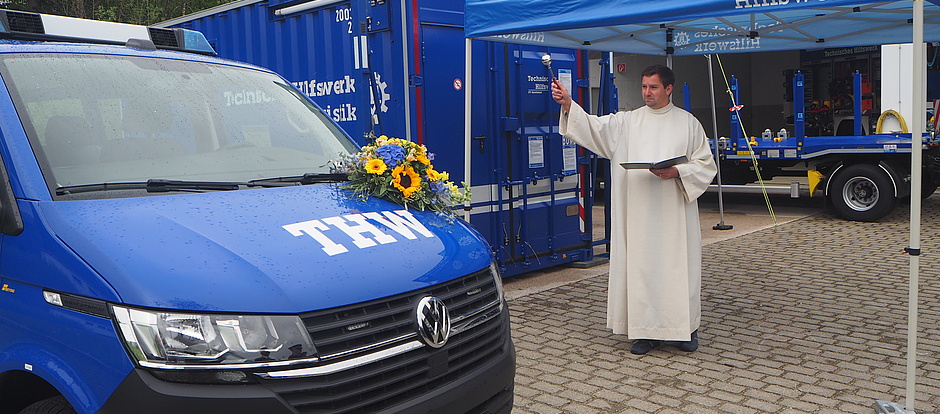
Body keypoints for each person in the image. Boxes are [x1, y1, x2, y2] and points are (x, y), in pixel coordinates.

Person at [551, 64, 717, 355]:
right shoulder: (628, 122)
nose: (647, 93)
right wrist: (569, 105)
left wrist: (677, 171)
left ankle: (683, 330)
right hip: (638, 212)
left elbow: (705, 165)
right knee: (642, 268)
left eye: (653, 87)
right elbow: (594, 128)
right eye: (643, 87)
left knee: (677, 269)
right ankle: (645, 332)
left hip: (674, 213)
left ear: (668, 89)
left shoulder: (688, 123)